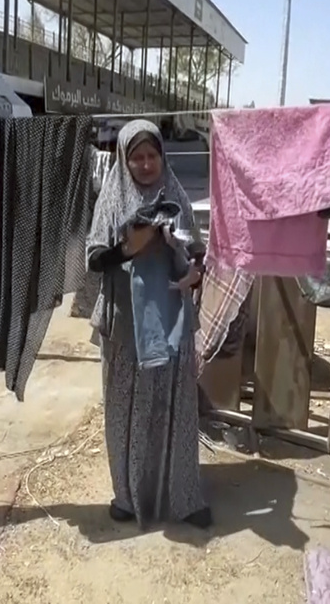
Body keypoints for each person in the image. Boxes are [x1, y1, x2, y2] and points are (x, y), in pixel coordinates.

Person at [85, 119, 211, 530]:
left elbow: (197, 251)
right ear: (124, 159)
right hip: (125, 323)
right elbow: (94, 256)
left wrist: (195, 269)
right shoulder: (112, 197)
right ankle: (128, 495)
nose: (144, 164)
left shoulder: (175, 193)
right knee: (125, 411)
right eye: (136, 157)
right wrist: (129, 247)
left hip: (171, 318)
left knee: (174, 408)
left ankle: (184, 496)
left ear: (162, 156)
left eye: (151, 155)